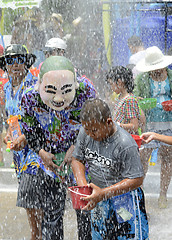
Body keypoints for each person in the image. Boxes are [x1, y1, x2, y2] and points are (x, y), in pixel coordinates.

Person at [20, 56, 96, 239]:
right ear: (40, 85)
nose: (58, 98)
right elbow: (29, 129)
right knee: (52, 211)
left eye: (65, 91)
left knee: (85, 208)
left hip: (79, 159)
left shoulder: (86, 92)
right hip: (49, 160)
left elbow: (94, 123)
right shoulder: (30, 97)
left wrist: (76, 147)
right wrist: (41, 152)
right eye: (51, 91)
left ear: (75, 85)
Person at [71, 98, 149, 240]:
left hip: (125, 202)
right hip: (98, 198)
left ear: (108, 122)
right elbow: (77, 159)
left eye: (94, 131)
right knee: (100, 236)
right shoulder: (86, 131)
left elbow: (137, 179)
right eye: (86, 130)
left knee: (128, 236)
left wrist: (104, 193)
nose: (89, 135)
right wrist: (83, 186)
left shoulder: (125, 143)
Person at [0, 44, 43, 239]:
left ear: (26, 63)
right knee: (28, 197)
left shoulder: (34, 86)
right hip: (18, 152)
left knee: (30, 192)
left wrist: (26, 137)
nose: (15, 64)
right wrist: (7, 133)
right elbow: (10, 117)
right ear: (5, 65)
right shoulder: (7, 88)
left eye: (19, 60)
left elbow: (44, 119)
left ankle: (37, 234)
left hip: (35, 148)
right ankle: (39, 232)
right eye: (10, 60)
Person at [134, 46, 172, 208]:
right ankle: (139, 193)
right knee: (143, 159)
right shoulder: (143, 79)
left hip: (169, 122)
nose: (156, 71)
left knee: (168, 159)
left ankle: (162, 195)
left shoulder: (170, 76)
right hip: (149, 124)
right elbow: (135, 97)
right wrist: (140, 101)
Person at [106, 66, 145, 135]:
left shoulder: (129, 100)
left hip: (127, 138)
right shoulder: (120, 97)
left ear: (119, 82)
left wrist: (117, 124)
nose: (111, 88)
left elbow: (134, 126)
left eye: (111, 84)